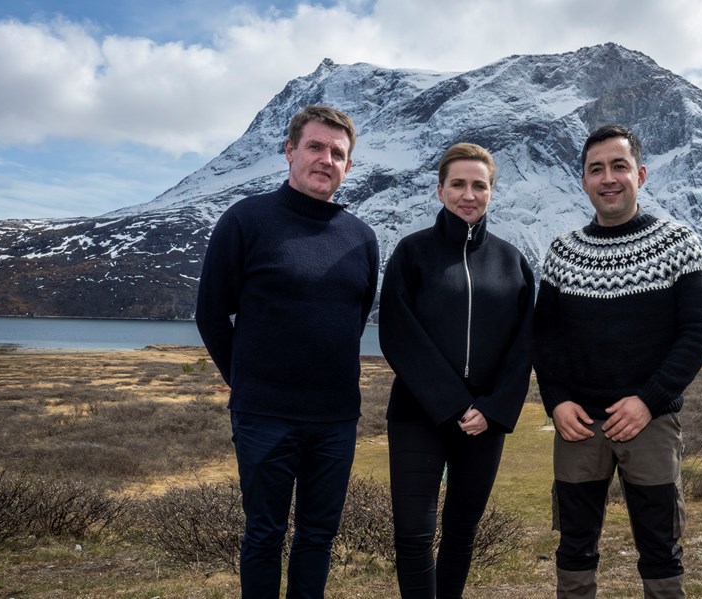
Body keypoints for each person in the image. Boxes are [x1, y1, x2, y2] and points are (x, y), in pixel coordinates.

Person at [195, 105, 379, 599]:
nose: (326, 160)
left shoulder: (361, 238)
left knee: (319, 536)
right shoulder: (246, 220)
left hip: (335, 418)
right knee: (264, 534)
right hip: (264, 414)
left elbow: (352, 318)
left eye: (338, 153)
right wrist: (247, 379)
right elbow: (211, 313)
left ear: (349, 166)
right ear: (290, 151)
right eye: (315, 148)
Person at [533, 125, 702, 599]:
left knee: (659, 543)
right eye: (597, 169)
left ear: (641, 173)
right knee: (574, 543)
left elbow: (697, 334)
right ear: (583, 181)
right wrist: (556, 401)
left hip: (650, 422)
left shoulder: (678, 243)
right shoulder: (562, 252)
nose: (608, 178)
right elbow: (545, 339)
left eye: (619, 166)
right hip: (579, 426)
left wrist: (648, 401)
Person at [378, 142, 535, 598]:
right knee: (413, 535)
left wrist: (492, 409)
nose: (469, 194)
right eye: (459, 184)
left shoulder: (513, 262)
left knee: (461, 532)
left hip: (485, 422)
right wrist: (453, 403)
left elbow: (523, 347)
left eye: (479, 185)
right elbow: (398, 334)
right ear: (440, 189)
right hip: (417, 416)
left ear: (491, 192)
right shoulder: (412, 253)